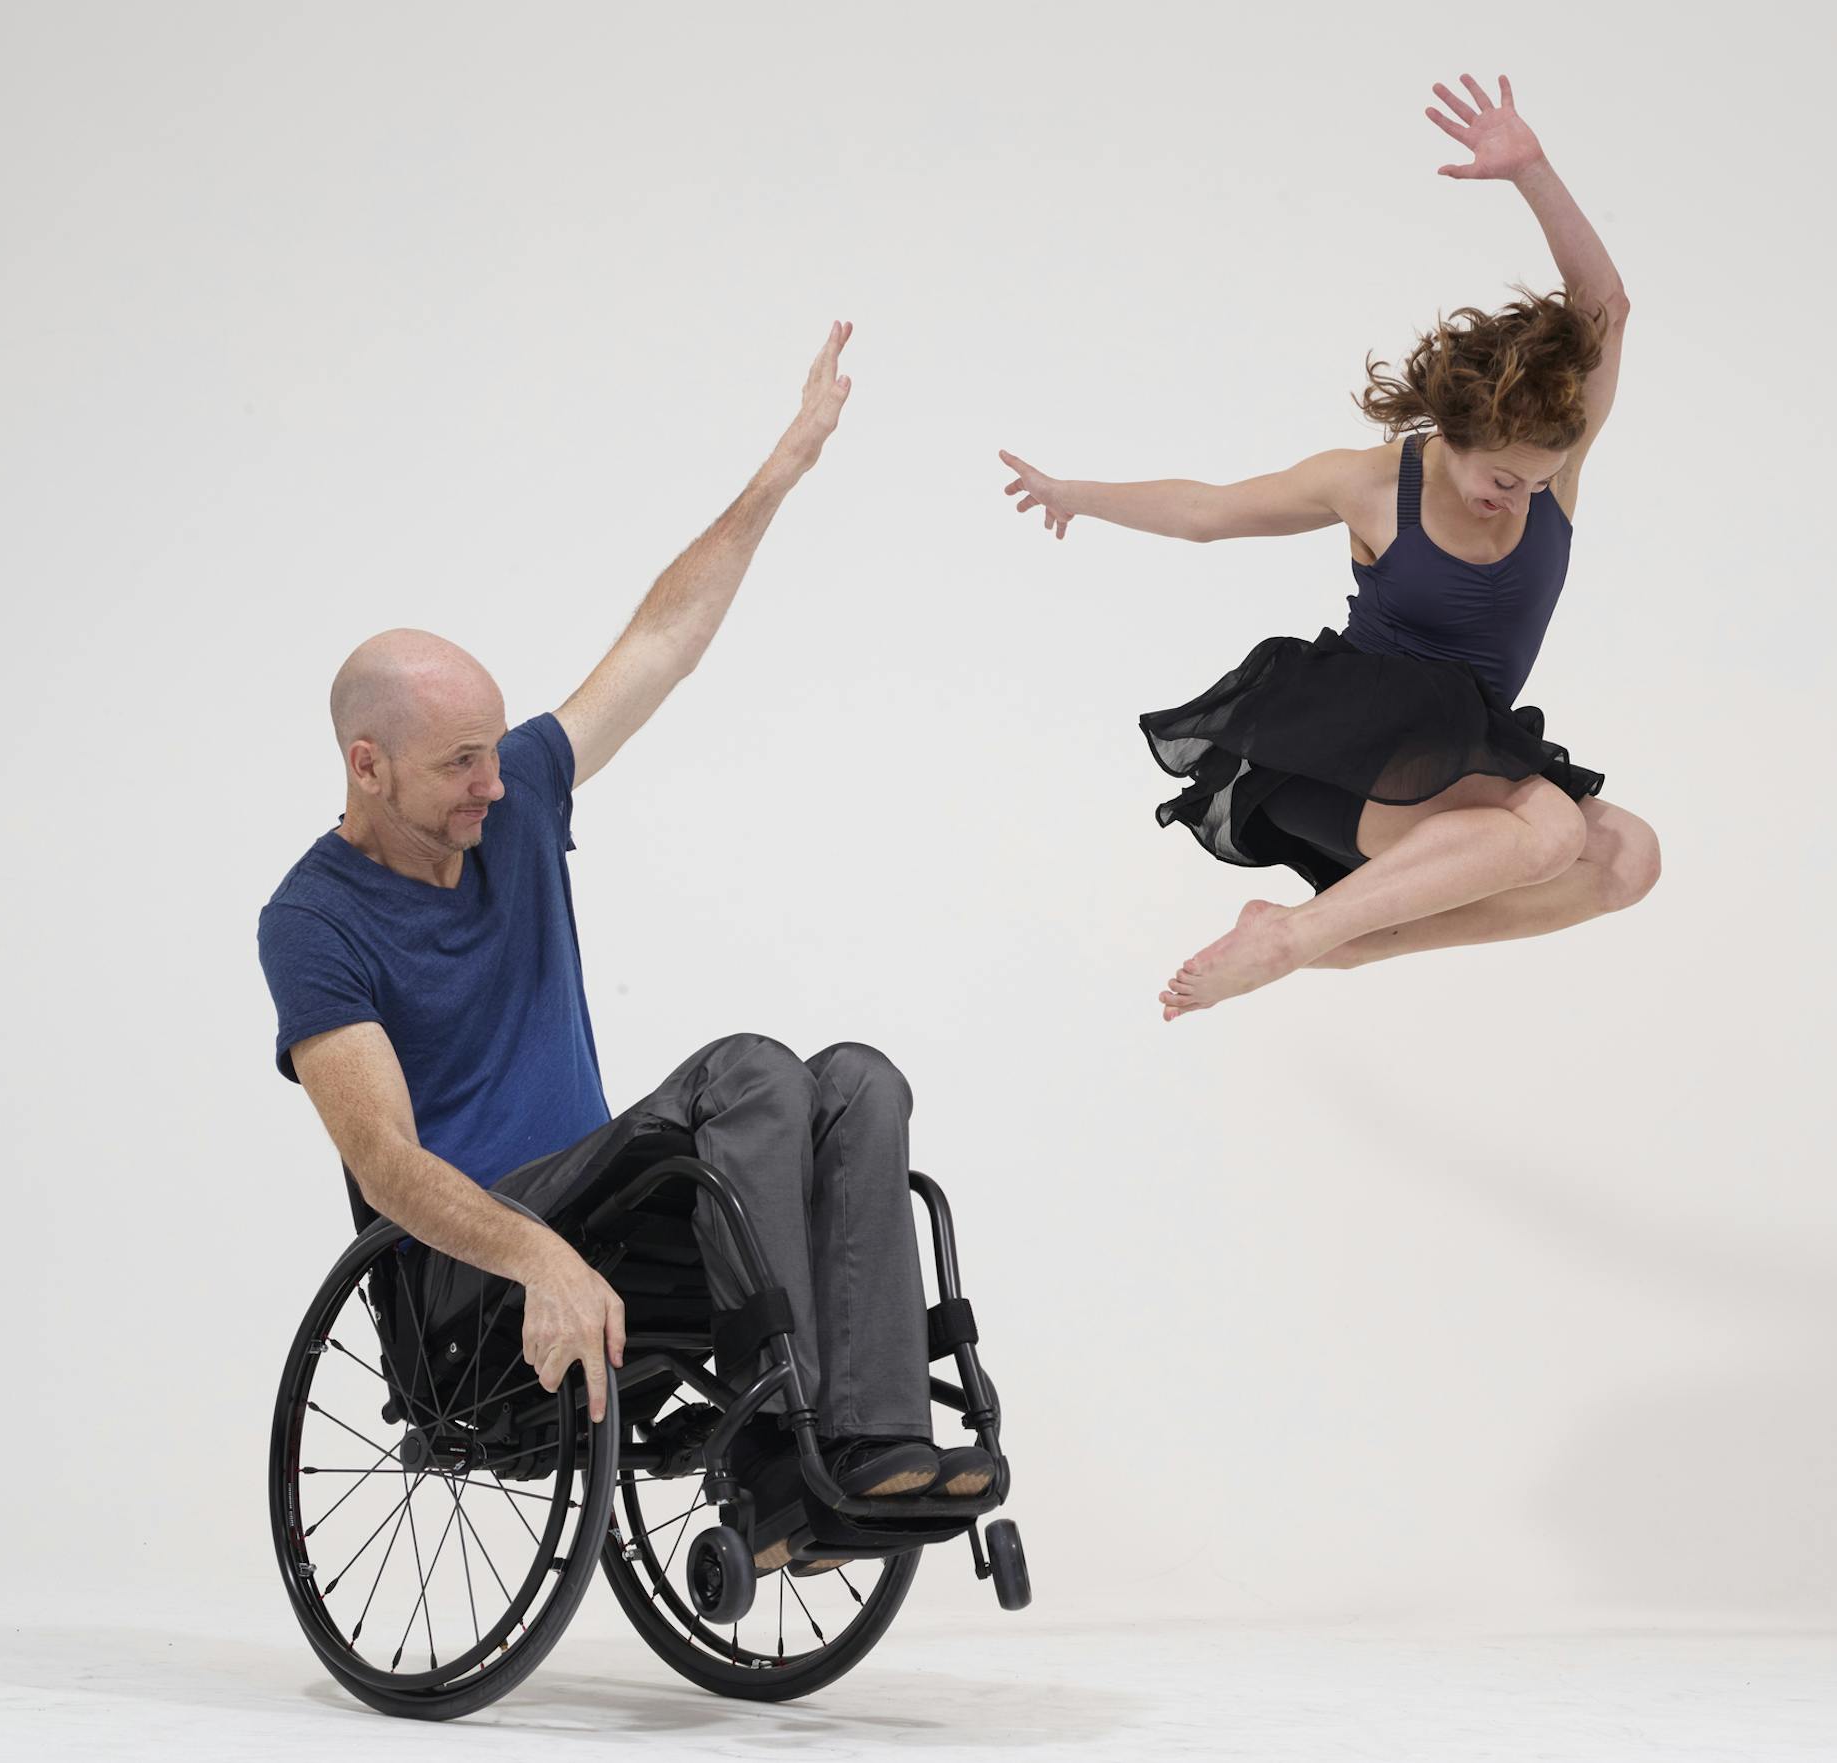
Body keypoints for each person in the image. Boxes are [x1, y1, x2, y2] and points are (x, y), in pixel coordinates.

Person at [257, 323, 990, 1572]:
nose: (497, 786)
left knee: (858, 1076)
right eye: (457, 764)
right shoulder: (314, 919)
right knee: (754, 1066)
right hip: (474, 1268)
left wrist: (785, 467)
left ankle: (864, 1450)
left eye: (496, 750)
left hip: (610, 1212)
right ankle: (776, 1450)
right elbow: (382, 1162)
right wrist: (536, 1251)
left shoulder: (513, 795)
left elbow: (660, 640)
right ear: (364, 766)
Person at [998, 75, 1660, 1019]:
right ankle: (1295, 934)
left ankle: (1339, 945)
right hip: (1340, 753)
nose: (1514, 497)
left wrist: (1534, 171)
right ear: (1460, 426)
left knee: (1630, 859)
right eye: (1500, 476)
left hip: (1465, 759)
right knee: (1551, 831)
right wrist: (1079, 495)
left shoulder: (1552, 469)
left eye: (1537, 480)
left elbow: (1606, 306)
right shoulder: (1371, 484)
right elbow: (1205, 510)